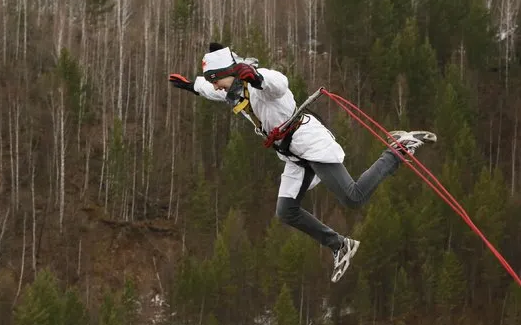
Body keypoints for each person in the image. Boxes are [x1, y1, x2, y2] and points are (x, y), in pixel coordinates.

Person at [169, 43, 436, 282]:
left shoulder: (262, 87)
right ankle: (340, 245)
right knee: (286, 211)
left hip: (310, 143)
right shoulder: (233, 91)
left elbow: (278, 83)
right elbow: (210, 89)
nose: (216, 86)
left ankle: (398, 150)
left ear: (232, 72)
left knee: (353, 198)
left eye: (217, 80)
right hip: (292, 155)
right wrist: (192, 86)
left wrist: (258, 77)